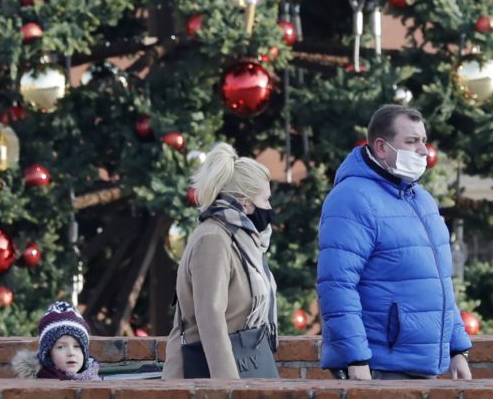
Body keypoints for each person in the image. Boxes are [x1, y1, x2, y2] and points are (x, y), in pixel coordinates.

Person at [317, 105, 472, 381]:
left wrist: (457, 349)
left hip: (424, 367)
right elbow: (337, 285)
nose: (423, 151)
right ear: (381, 147)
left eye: (423, 141)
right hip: (379, 368)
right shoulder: (352, 198)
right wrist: (356, 358)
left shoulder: (421, 199)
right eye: (411, 142)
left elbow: (439, 281)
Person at [161, 142, 279, 380]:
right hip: (210, 377)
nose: (269, 207)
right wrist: (228, 387)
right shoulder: (214, 238)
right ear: (246, 203)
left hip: (247, 365)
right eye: (265, 200)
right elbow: (210, 318)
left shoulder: (244, 240)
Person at [12, 301, 101, 380]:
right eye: (61, 347)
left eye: (77, 346)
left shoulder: (94, 377)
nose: (71, 353)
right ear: (48, 354)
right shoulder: (36, 384)